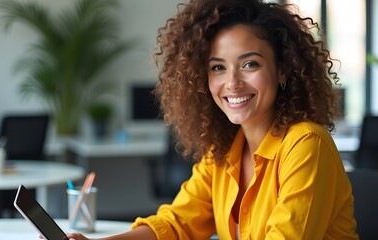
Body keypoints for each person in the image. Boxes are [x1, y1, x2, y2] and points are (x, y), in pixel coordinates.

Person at [67, 0, 359, 239]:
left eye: (249, 64)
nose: (232, 82)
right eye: (218, 67)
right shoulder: (225, 151)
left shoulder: (306, 145)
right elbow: (176, 223)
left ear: (282, 70)